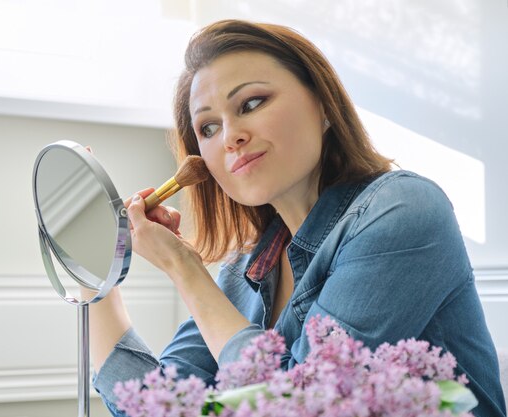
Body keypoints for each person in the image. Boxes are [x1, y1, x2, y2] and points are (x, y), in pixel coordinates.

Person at [88, 20, 506, 416]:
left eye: (251, 103)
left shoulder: (404, 211)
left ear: (323, 105)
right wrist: (98, 277)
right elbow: (163, 404)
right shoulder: (241, 274)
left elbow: (299, 406)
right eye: (209, 128)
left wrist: (183, 267)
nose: (231, 135)